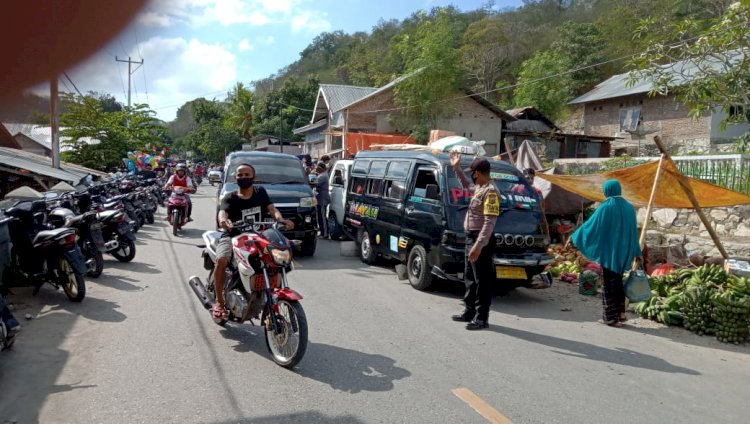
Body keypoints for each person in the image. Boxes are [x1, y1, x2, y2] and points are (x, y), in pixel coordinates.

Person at [214, 164, 294, 320]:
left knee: (275, 260)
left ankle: (268, 295)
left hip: (258, 236)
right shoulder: (230, 197)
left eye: (247, 174)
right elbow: (222, 213)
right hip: (233, 237)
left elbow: (272, 209)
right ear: (235, 178)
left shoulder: (260, 192)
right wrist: (224, 222)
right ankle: (219, 302)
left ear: (254, 177)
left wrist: (280, 219)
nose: (243, 178)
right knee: (222, 260)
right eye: (240, 175)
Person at [570, 179, 642, 327]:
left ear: (607, 191)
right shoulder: (629, 208)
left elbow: (591, 226)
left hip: (609, 254)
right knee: (619, 282)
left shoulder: (606, 207)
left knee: (609, 285)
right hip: (624, 253)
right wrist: (636, 251)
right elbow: (633, 232)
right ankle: (621, 314)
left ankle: (610, 318)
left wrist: (575, 236)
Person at [449, 151, 501, 330]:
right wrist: (456, 169)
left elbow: (489, 222)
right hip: (471, 237)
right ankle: (469, 311)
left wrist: (478, 246)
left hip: (481, 241)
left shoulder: (491, 192)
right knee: (470, 278)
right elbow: (467, 186)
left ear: (478, 173)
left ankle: (481, 318)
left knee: (482, 281)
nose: (472, 177)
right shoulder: (480, 187)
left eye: (473, 174)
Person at [315, 162, 330, 238]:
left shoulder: (322, 176)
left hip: (322, 199)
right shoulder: (322, 175)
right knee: (320, 217)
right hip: (320, 198)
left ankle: (325, 234)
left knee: (323, 217)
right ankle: (322, 232)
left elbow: (315, 184)